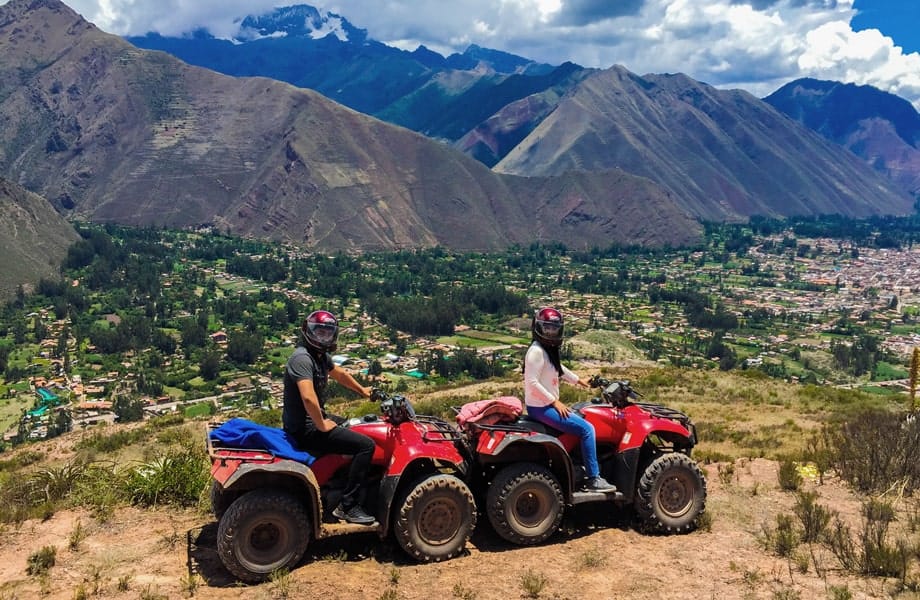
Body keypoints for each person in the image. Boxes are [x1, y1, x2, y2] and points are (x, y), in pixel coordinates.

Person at [282, 309, 377, 525]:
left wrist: (364, 391)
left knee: (352, 425)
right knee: (366, 446)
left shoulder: (320, 357)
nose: (322, 337)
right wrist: (322, 424)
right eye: (318, 332)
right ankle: (349, 505)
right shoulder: (302, 359)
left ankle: (337, 482)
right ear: (308, 331)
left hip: (309, 422)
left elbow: (340, 375)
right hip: (305, 428)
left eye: (327, 332)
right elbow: (308, 398)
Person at [523, 307, 618, 493]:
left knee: (580, 421)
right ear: (538, 328)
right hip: (541, 408)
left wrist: (580, 381)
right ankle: (594, 478)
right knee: (587, 429)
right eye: (547, 328)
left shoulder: (545, 350)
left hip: (542, 405)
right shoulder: (535, 352)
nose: (551, 332)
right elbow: (532, 382)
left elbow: (559, 368)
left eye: (554, 328)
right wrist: (554, 402)